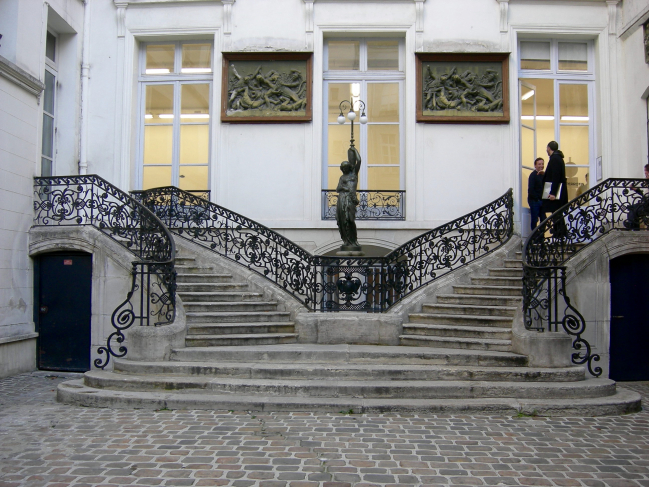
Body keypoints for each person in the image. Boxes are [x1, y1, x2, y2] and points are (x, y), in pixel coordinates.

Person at [336, 146, 362, 249]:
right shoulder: (342, 177)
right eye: (343, 168)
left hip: (351, 200)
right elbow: (338, 189)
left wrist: (354, 150)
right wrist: (345, 188)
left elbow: (359, 161)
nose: (345, 169)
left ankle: (354, 240)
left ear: (349, 167)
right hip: (342, 199)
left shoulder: (354, 174)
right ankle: (346, 240)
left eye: (346, 167)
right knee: (343, 220)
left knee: (350, 219)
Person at [542, 141, 569, 238]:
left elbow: (556, 177)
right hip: (558, 192)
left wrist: (553, 193)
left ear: (549, 148)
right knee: (556, 213)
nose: (546, 150)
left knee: (557, 213)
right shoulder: (557, 158)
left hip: (557, 193)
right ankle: (559, 233)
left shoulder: (555, 159)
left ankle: (560, 233)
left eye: (547, 148)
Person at [624, 163, 649, 230]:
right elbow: (644, 194)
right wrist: (635, 189)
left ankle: (633, 227)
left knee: (634, 209)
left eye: (646, 174)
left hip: (647, 205)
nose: (645, 176)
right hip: (646, 203)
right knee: (631, 209)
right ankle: (633, 228)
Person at [528, 157, 546, 230]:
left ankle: (541, 237)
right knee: (535, 219)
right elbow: (531, 189)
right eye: (539, 164)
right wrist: (537, 199)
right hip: (535, 201)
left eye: (542, 164)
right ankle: (534, 237)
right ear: (535, 165)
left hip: (542, 200)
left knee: (544, 219)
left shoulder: (543, 175)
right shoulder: (533, 175)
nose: (541, 166)